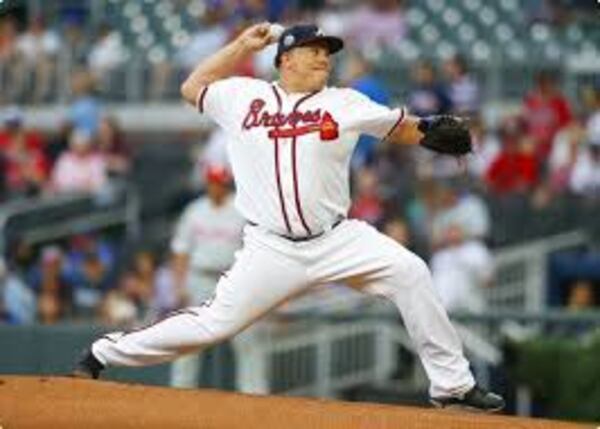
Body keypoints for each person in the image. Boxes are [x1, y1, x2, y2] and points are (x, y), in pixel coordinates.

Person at [74, 23, 504, 412]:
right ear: (284, 59)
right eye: (313, 49)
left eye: (327, 51)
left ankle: (451, 385)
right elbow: (193, 86)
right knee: (211, 325)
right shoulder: (244, 96)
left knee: (411, 272)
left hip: (337, 239)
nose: (323, 57)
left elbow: (402, 127)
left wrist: (430, 129)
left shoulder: (344, 102)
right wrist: (242, 44)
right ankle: (104, 353)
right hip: (271, 248)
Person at [169, 164, 246, 390]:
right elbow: (181, 249)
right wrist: (179, 285)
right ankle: (180, 393)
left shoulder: (241, 210)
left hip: (233, 280)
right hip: (199, 278)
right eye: (212, 182)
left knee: (248, 340)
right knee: (189, 338)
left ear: (226, 184)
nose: (215, 187)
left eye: (219, 182)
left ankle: (255, 394)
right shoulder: (195, 210)